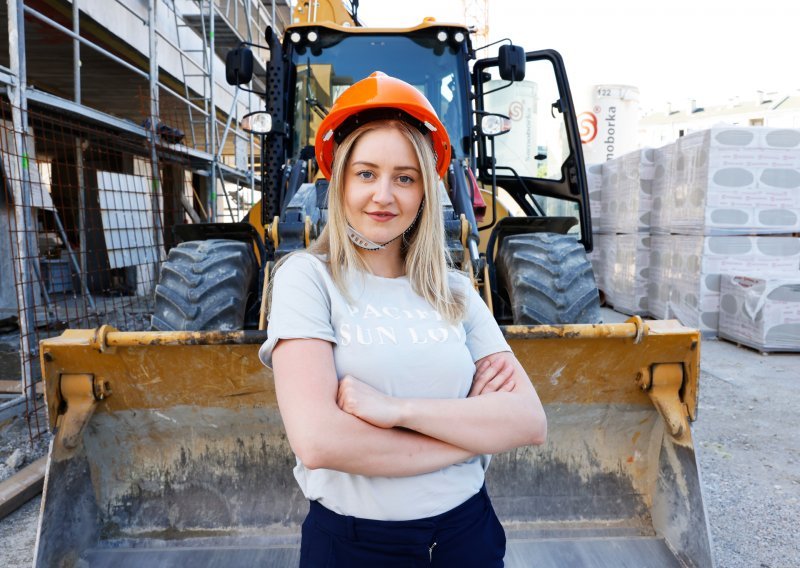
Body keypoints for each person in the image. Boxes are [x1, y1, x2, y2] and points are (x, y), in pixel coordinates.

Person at [259, 71, 547, 567]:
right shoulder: (306, 279)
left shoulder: (455, 290)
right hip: (354, 546)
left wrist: (397, 411)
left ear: (425, 192)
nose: (384, 195)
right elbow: (319, 441)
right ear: (340, 181)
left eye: (405, 177)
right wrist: (467, 439)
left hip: (467, 535)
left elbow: (527, 420)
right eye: (366, 173)